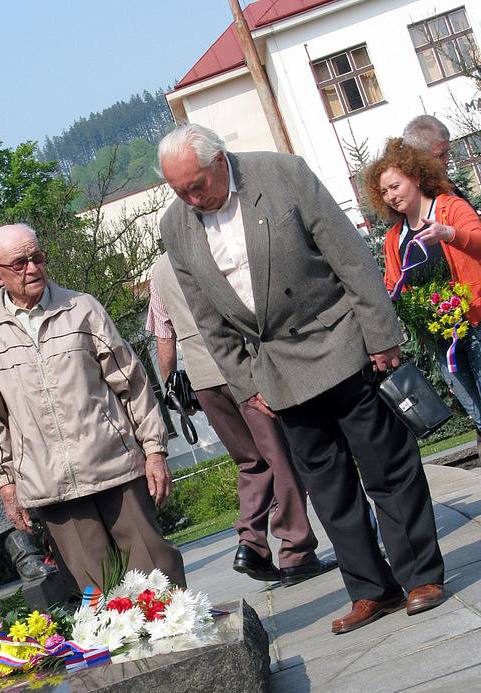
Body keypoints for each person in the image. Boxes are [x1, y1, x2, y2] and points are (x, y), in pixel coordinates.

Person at [157, 123, 446, 634]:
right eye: (178, 190)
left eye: (195, 185)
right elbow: (206, 318)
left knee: (387, 469)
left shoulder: (282, 174)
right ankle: (370, 590)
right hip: (279, 375)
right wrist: (248, 387)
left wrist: (381, 334)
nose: (189, 198)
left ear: (220, 161)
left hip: (342, 345)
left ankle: (420, 575)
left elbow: (350, 257)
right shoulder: (177, 224)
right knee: (329, 490)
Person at [0, 223, 186, 592]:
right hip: (50, 484)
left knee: (158, 576)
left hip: (114, 464)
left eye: (37, 258)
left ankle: (186, 648)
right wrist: (6, 484)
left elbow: (132, 382)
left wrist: (155, 451)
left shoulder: (82, 308)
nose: (32, 269)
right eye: (20, 263)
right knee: (98, 594)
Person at [147, 252, 337, 585]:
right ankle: (295, 551)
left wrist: (173, 389)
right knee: (281, 459)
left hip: (203, 379)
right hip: (242, 367)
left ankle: (251, 544)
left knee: (251, 463)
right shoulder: (212, 251)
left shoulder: (159, 271)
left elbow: (165, 338)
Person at [365, 137, 481, 442]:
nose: (391, 196)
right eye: (385, 191)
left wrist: (449, 233)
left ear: (415, 178)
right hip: (441, 339)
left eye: (395, 186)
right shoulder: (395, 238)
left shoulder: (449, 207)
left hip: (476, 322)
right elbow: (393, 287)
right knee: (476, 413)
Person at [402, 115, 471, 203]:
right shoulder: (414, 201)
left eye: (447, 152)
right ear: (418, 158)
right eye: (440, 156)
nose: (447, 160)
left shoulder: (444, 184)